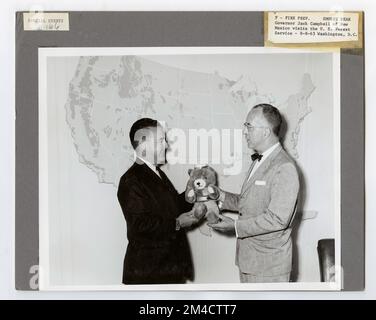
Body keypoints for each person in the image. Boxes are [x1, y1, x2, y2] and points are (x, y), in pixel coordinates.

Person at [208, 104, 300, 283]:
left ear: (265, 132)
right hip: (249, 261)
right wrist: (220, 196)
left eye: (248, 126)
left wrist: (235, 227)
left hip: (269, 267)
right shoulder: (261, 160)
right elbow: (250, 202)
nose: (245, 132)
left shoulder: (285, 167)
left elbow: (277, 219)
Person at [117, 118, 198, 285]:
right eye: (161, 140)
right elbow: (140, 226)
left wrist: (192, 191)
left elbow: (172, 206)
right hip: (148, 275)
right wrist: (177, 223)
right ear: (144, 145)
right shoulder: (130, 181)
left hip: (166, 269)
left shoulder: (155, 172)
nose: (167, 145)